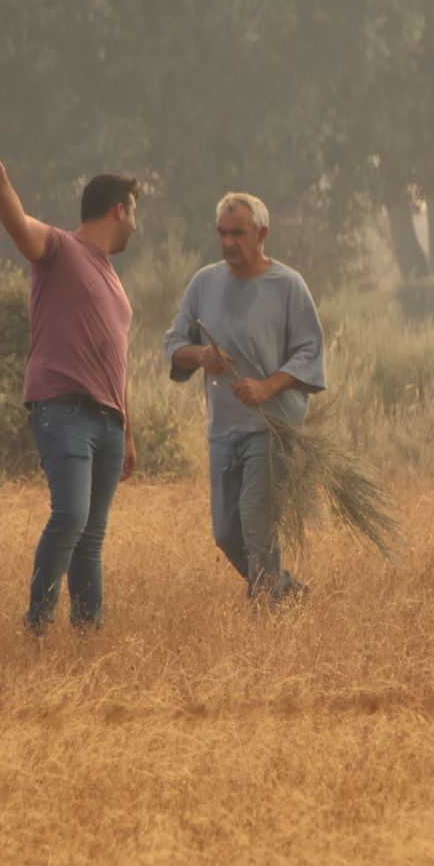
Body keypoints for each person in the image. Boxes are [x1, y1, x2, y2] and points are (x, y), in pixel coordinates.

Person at [0, 155, 139, 634]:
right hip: (64, 410)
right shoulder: (62, 249)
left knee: (91, 536)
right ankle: (39, 622)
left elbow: (118, 364)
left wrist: (128, 432)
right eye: (134, 213)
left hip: (109, 422)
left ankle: (89, 629)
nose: (135, 224)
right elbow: (19, 226)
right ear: (119, 210)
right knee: (70, 516)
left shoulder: (114, 281)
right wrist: (1, 182)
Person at [164, 192, 327, 602]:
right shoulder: (204, 283)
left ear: (262, 233)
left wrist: (268, 387)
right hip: (223, 428)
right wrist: (202, 356)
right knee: (225, 532)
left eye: (238, 233)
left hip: (271, 427)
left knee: (256, 524)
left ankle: (267, 611)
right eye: (222, 233)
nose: (228, 242)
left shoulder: (288, 285)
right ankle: (284, 589)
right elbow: (174, 343)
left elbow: (309, 351)